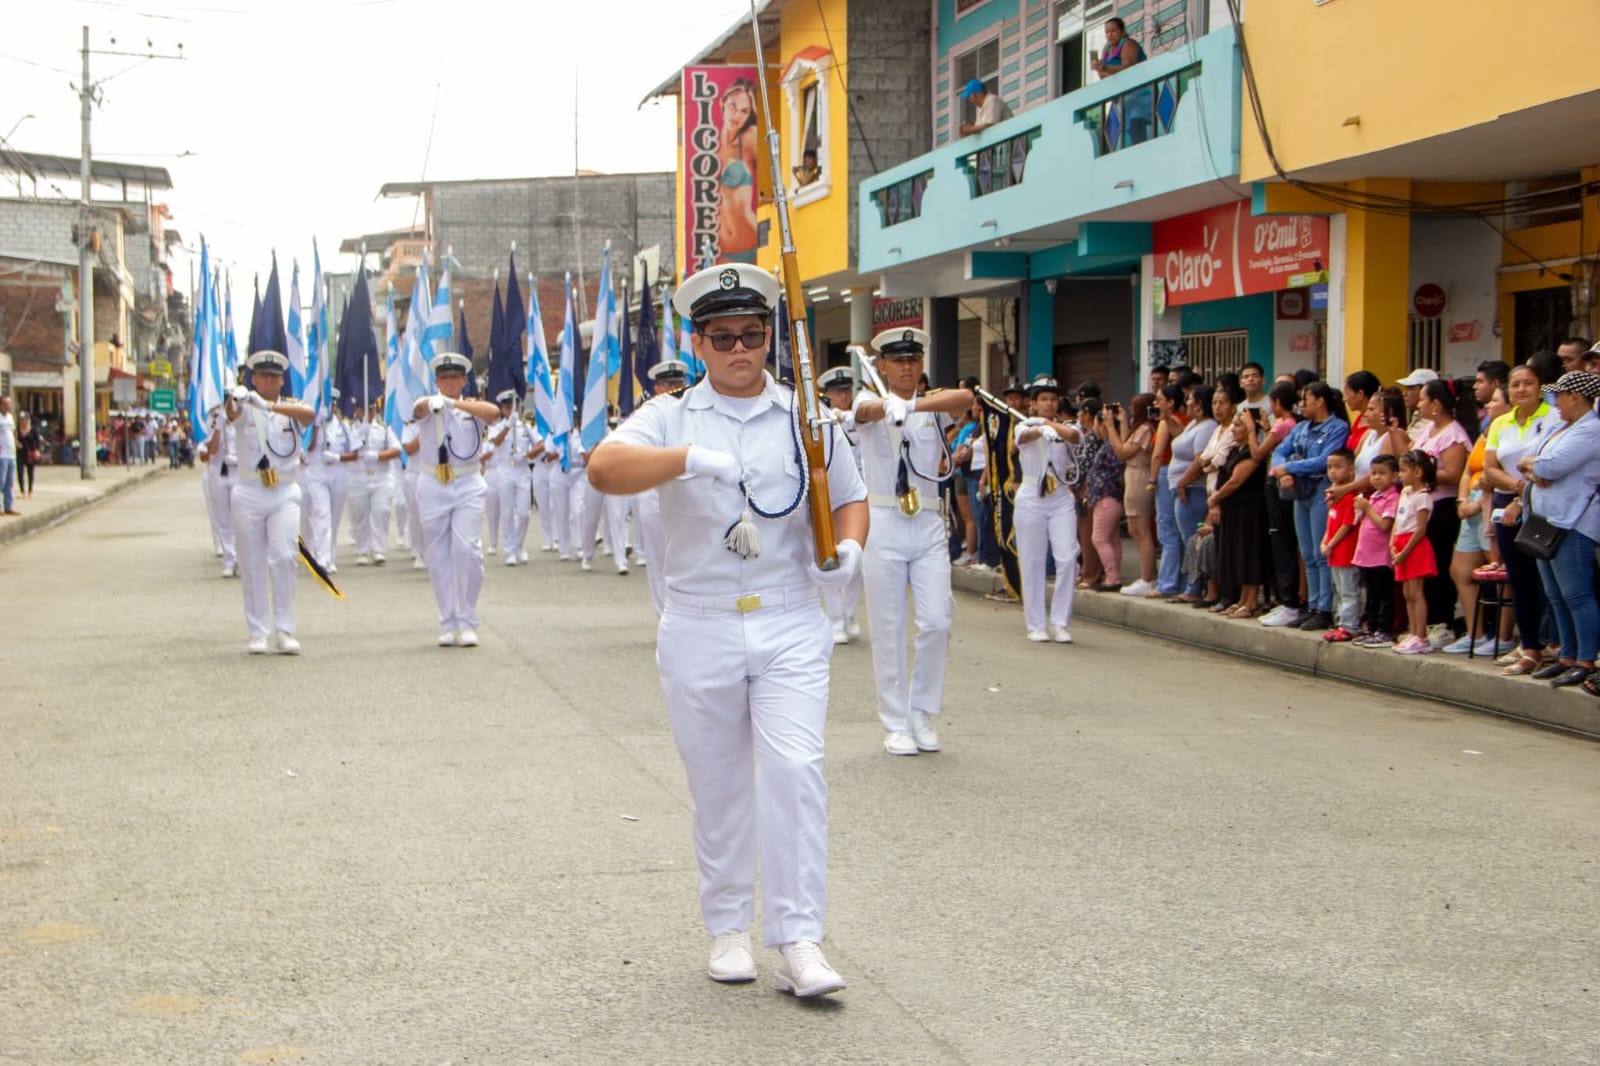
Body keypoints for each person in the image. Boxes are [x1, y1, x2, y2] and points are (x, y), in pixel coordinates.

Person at [587, 263, 868, 999]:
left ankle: (799, 937)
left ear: (770, 336)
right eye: (722, 337)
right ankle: (729, 929)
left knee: (795, 771)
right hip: (701, 621)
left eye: (751, 334)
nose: (739, 349)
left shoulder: (807, 416)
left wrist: (850, 550)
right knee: (718, 784)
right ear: (699, 343)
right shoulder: (671, 416)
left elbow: (850, 497)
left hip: (788, 616)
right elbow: (603, 468)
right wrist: (687, 460)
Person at [855, 328, 973, 755]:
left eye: (913, 360)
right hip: (884, 520)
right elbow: (862, 413)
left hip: (926, 520)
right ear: (883, 365)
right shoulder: (868, 400)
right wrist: (889, 406)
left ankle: (921, 709)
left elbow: (965, 399)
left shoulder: (931, 408)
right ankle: (895, 722)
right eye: (898, 361)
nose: (906, 367)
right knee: (888, 627)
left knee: (937, 619)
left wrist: (913, 405)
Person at [1516, 371, 1600, 690]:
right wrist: (1533, 466)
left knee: (1577, 594)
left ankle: (1585, 660)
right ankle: (1567, 655)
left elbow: (1548, 466)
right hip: (1547, 522)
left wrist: (1535, 466)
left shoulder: (1590, 430)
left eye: (1560, 396)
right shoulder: (1562, 428)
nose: (1555, 402)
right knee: (1555, 595)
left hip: (1573, 523)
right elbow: (1529, 460)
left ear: (1576, 397)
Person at [227, 351, 315, 655]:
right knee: (252, 563)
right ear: (254, 379)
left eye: (274, 376)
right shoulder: (245, 407)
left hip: (284, 491)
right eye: (263, 376)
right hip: (249, 490)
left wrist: (270, 406)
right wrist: (236, 398)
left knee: (285, 556)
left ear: (281, 380)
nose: (268, 381)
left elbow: (310, 416)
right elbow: (230, 414)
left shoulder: (290, 408)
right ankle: (258, 632)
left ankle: (285, 629)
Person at [412, 352, 501, 647]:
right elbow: (417, 410)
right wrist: (434, 403)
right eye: (444, 378)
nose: (449, 383)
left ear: (464, 380)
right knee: (437, 556)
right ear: (437, 381)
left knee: (468, 551)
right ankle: (448, 622)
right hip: (433, 484)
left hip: (467, 483)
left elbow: (493, 413)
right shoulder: (430, 404)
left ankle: (467, 619)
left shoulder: (471, 408)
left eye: (455, 378)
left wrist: (454, 404)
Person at [1483, 364, 1559, 676]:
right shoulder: (1500, 422)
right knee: (1519, 579)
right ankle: (1530, 647)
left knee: (1547, 579)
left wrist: (1522, 497)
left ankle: (1554, 643)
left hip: (1542, 505)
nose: (1521, 389)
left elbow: (1548, 466)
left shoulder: (1553, 417)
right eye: (1515, 384)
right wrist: (1517, 488)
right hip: (1507, 502)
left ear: (1540, 387)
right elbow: (1490, 468)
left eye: (1528, 383)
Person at [1269, 381, 1350, 632]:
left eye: (1306, 399)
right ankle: (1312, 605)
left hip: (1321, 490)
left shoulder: (1338, 427)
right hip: (1299, 492)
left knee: (1320, 551)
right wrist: (1284, 472)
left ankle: (1324, 608)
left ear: (1320, 401)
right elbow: (1280, 451)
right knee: (1306, 552)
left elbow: (1325, 460)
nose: (1301, 405)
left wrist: (1289, 468)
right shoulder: (1301, 428)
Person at [1012, 376, 1082, 642]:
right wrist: (1039, 427)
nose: (1049, 403)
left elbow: (1074, 436)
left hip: (1060, 496)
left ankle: (1060, 622)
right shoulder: (1024, 424)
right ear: (1033, 403)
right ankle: (1036, 624)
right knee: (1032, 561)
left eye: (1053, 399)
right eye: (1044, 399)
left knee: (1067, 557)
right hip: (1031, 495)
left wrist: (1050, 425)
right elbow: (1022, 438)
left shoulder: (1067, 426)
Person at [1410, 379, 1477, 643]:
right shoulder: (1428, 430)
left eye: (1423, 399)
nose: (1418, 404)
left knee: (1438, 564)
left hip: (1442, 507)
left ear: (1436, 404)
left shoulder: (1453, 434)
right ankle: (1424, 622)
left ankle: (1443, 621)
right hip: (1421, 504)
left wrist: (1421, 475)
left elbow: (1452, 473)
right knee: (1423, 566)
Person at [819, 365, 865, 643]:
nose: (844, 396)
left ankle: (848, 614)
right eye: (838, 392)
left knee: (857, 560)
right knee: (830, 557)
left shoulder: (858, 418)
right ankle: (835, 620)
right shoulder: (823, 419)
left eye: (847, 390)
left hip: (858, 496)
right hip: (828, 496)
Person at [1209, 409, 1269, 618]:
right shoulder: (1234, 450)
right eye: (1233, 425)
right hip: (1232, 509)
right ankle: (1242, 598)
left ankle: (1251, 601)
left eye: (1238, 425)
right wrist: (1217, 501)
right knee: (1237, 553)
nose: (1233, 429)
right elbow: (1221, 475)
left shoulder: (1252, 452)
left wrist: (1215, 498)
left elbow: (1235, 481)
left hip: (1249, 509)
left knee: (1249, 552)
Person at [1168, 384, 1216, 602]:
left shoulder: (1207, 426)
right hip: (1183, 488)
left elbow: (1200, 459)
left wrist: (1182, 482)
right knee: (1186, 537)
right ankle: (1192, 584)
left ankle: (1194, 587)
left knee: (1193, 536)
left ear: (1198, 404)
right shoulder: (1193, 425)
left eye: (1189, 399)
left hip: (1193, 490)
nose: (1186, 403)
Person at [1109, 394, 1158, 596]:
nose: (1131, 410)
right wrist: (1122, 422)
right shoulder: (1137, 428)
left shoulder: (1146, 429)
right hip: (1131, 476)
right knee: (1133, 529)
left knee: (1141, 530)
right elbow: (1126, 443)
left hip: (1140, 476)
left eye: (1134, 407)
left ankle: (1148, 578)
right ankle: (1147, 575)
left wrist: (1110, 427)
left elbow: (1122, 452)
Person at [1391, 450, 1439, 655]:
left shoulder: (1423, 497)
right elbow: (1398, 520)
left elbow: (1420, 529)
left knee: (1416, 592)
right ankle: (1412, 632)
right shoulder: (1405, 492)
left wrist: (1404, 551)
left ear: (1417, 472)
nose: (1400, 475)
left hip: (1414, 546)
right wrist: (1393, 543)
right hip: (1400, 542)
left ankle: (1421, 636)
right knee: (1407, 593)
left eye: (1403, 470)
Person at [1350, 454, 1401, 647]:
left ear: (1394, 476)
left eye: (1382, 473)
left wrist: (1368, 508)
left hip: (1381, 557)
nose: (1377, 477)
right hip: (1366, 555)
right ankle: (1371, 627)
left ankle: (1384, 630)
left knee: (1383, 595)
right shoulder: (1373, 496)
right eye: (1373, 473)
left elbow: (1384, 524)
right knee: (1371, 595)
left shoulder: (1393, 498)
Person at [486, 390, 542, 566]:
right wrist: (508, 426)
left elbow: (540, 445)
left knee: (524, 513)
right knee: (507, 512)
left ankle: (518, 545)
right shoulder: (497, 427)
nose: (510, 411)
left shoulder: (525, 427)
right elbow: (496, 442)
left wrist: (526, 455)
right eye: (507, 408)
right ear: (502, 409)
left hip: (522, 469)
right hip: (504, 470)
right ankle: (510, 550)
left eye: (513, 407)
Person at [347, 403, 401, 566]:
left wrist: (378, 456)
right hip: (358, 477)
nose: (368, 413)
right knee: (359, 515)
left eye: (371, 409)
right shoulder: (349, 429)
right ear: (356, 410)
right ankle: (362, 550)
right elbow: (343, 450)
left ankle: (379, 549)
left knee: (381, 512)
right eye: (364, 409)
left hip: (381, 476)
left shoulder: (384, 428)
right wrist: (357, 438)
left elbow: (396, 449)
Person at [717, 78, 760, 264]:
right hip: (720, 250)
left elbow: (776, 176)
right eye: (733, 106)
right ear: (723, 103)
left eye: (744, 111)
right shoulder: (711, 144)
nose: (736, 115)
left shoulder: (749, 138)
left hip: (749, 244)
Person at [1319, 449, 1361, 641]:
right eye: (1329, 467)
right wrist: (1324, 542)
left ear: (1351, 470)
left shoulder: (1350, 497)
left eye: (1338, 467)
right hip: (1334, 553)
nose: (1332, 471)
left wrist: (1330, 544)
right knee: (1338, 589)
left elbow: (1347, 525)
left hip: (1346, 552)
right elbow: (1331, 523)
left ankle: (1350, 626)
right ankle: (1340, 623)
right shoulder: (1334, 496)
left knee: (1348, 591)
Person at [1085, 402, 1126, 591]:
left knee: (1099, 538)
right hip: (1108, 497)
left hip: (1106, 497)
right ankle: (1113, 576)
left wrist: (1114, 423)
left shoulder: (1111, 445)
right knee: (1112, 538)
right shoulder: (1110, 444)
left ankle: (1112, 578)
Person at [197, 401, 238, 578]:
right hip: (218, 471)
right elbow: (211, 450)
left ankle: (242, 558)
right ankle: (229, 560)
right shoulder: (214, 423)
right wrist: (219, 427)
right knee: (223, 517)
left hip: (239, 471)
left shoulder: (244, 422)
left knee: (240, 517)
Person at [16, 411, 41, 499]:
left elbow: (37, 441)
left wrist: (37, 451)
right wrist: (16, 444)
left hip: (30, 453)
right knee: (20, 471)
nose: (22, 421)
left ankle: (30, 491)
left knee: (30, 472)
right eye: (20, 419)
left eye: (24, 419)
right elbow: (14, 439)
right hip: (20, 452)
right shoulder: (17, 430)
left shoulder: (33, 430)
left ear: (27, 420)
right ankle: (22, 491)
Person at [0, 396, 18, 515]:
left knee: (9, 483)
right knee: (0, 482)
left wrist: (16, 442)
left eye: (9, 404)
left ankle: (9, 506)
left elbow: (13, 432)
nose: (8, 406)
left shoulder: (10, 417)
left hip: (11, 455)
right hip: (1, 456)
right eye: (5, 404)